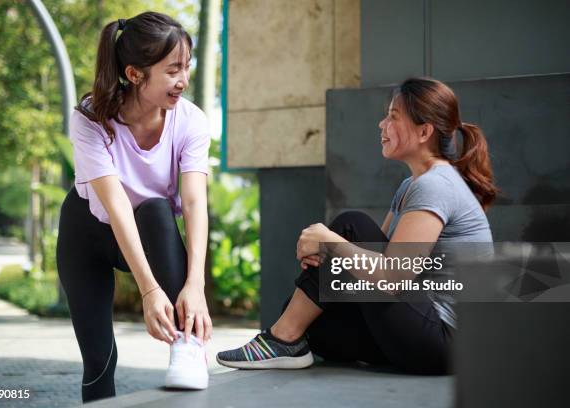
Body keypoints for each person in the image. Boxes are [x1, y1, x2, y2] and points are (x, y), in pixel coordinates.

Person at [217, 77, 498, 375]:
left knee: (351, 225)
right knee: (314, 321)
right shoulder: (410, 186)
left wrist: (330, 242)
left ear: (424, 131)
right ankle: (289, 339)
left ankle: (281, 339)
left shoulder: (436, 185)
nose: (381, 125)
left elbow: (393, 276)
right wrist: (331, 258)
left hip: (447, 341)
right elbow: (369, 265)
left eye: (392, 116)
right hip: (422, 329)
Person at [56, 12, 211, 403]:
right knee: (99, 362)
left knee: (158, 210)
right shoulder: (92, 118)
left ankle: (188, 346)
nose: (184, 80)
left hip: (151, 229)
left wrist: (195, 284)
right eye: (173, 69)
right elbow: (117, 204)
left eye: (187, 67)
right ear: (136, 74)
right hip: (90, 233)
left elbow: (193, 201)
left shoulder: (190, 122)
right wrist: (148, 290)